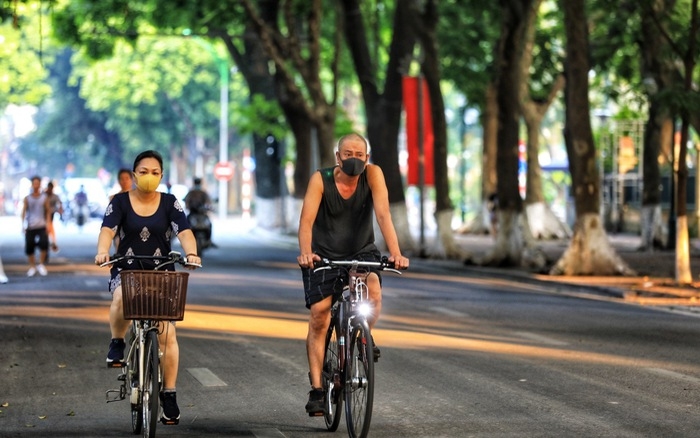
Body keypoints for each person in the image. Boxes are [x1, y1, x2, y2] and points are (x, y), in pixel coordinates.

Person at [297, 133, 409, 416]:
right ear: (338, 157)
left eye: (360, 154)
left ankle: (365, 334)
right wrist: (306, 252)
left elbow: (383, 214)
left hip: (362, 251)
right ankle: (317, 390)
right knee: (320, 315)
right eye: (348, 154)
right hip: (323, 255)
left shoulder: (373, 175)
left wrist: (396, 252)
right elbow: (306, 221)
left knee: (373, 291)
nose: (354, 159)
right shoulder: (320, 179)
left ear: (366, 158)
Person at [94, 150, 201, 426]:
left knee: (167, 333)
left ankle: (169, 394)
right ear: (133, 175)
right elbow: (107, 230)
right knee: (120, 296)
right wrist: (103, 252)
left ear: (162, 176)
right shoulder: (119, 202)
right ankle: (117, 342)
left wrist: (192, 253)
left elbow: (185, 231)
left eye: (155, 173)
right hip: (126, 270)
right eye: (143, 172)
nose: (149, 177)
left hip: (161, 272)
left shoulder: (170, 203)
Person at [21, 176, 51, 277]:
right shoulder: (27, 198)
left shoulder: (44, 197)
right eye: (34, 183)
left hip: (41, 225)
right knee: (29, 246)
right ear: (32, 184)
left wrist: (48, 224)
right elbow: (24, 212)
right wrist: (23, 225)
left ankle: (41, 264)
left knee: (44, 245)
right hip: (30, 226)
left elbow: (48, 211)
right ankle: (32, 266)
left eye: (38, 183)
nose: (36, 185)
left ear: (40, 184)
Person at [183, 177, 214, 246]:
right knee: (186, 225)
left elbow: (208, 203)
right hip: (194, 214)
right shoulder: (197, 193)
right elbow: (186, 201)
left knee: (209, 224)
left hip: (201, 214)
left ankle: (208, 240)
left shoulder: (194, 192)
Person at [45, 181, 63, 252]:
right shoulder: (44, 195)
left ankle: (53, 241)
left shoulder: (55, 196)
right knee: (48, 227)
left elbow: (60, 203)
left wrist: (60, 210)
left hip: (51, 214)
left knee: (50, 227)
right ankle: (51, 241)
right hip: (44, 214)